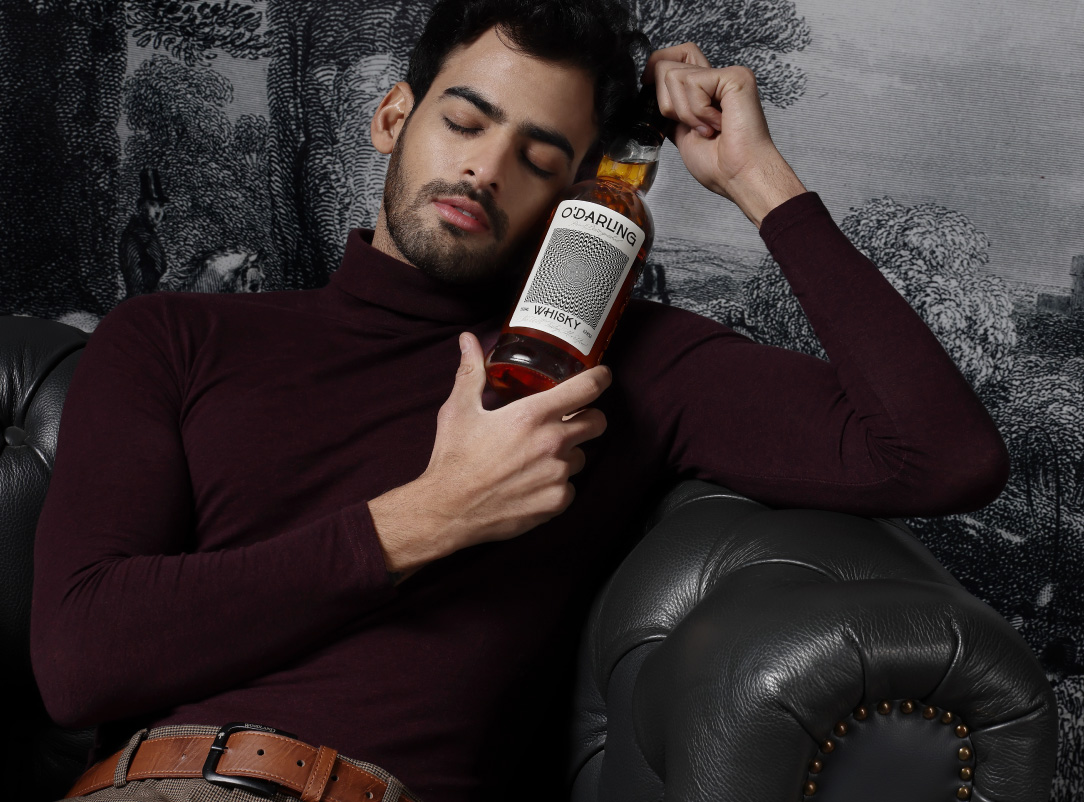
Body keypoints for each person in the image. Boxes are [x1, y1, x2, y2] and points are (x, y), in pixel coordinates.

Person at [31, 0, 1009, 799]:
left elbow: (940, 455)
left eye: (539, 157)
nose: (485, 169)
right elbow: (80, 659)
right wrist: (431, 516)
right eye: (464, 120)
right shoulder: (170, 338)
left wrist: (754, 178)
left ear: (573, 196)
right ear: (391, 117)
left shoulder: (613, 366)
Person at [118, 167, 169, 297]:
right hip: (141, 306)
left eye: (161, 205)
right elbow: (136, 288)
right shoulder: (132, 238)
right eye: (152, 204)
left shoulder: (151, 236)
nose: (158, 211)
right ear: (141, 206)